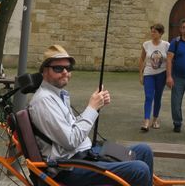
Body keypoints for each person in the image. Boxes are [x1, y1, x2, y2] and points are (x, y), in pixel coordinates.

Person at [29, 44, 154, 186]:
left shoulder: (57, 95)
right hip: (69, 168)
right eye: (58, 68)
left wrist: (96, 105)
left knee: (144, 151)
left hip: (85, 155)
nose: (65, 72)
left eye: (68, 68)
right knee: (140, 170)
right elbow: (71, 141)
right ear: (44, 71)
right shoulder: (44, 101)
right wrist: (92, 108)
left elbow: (71, 127)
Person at [138, 23, 169, 131]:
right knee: (149, 97)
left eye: (155, 31)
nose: (152, 33)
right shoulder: (146, 44)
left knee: (158, 97)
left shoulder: (166, 45)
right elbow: (142, 59)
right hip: (149, 74)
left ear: (160, 33)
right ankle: (146, 120)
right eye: (151, 31)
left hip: (161, 74)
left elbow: (170, 60)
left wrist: (169, 76)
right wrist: (140, 74)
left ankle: (155, 119)